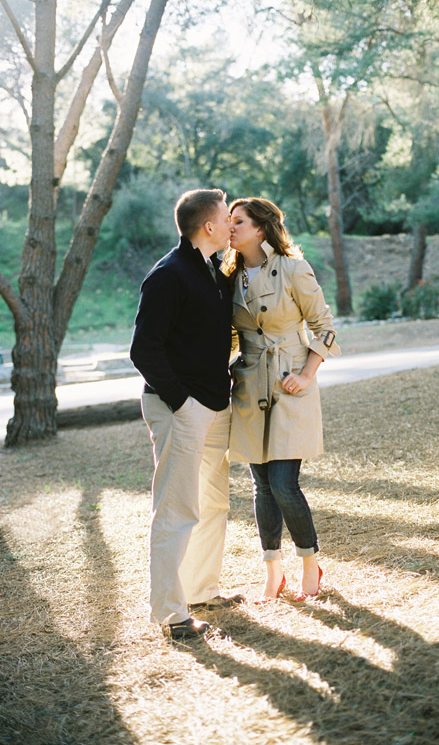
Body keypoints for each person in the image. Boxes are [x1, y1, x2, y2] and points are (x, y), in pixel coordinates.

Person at [130, 188, 244, 639]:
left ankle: (200, 589)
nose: (232, 225)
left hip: (216, 406)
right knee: (176, 509)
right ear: (208, 227)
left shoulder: (215, 270)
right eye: (226, 218)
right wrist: (182, 403)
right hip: (181, 408)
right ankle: (172, 614)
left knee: (212, 504)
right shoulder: (169, 275)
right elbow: (143, 350)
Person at [222, 197, 340, 601]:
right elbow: (231, 335)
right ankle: (273, 572)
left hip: (290, 383)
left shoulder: (292, 267)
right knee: (261, 487)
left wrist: (306, 375)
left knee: (284, 483)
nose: (229, 227)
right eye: (228, 221)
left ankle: (310, 563)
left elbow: (324, 326)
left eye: (238, 221)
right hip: (250, 384)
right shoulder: (228, 275)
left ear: (260, 228)